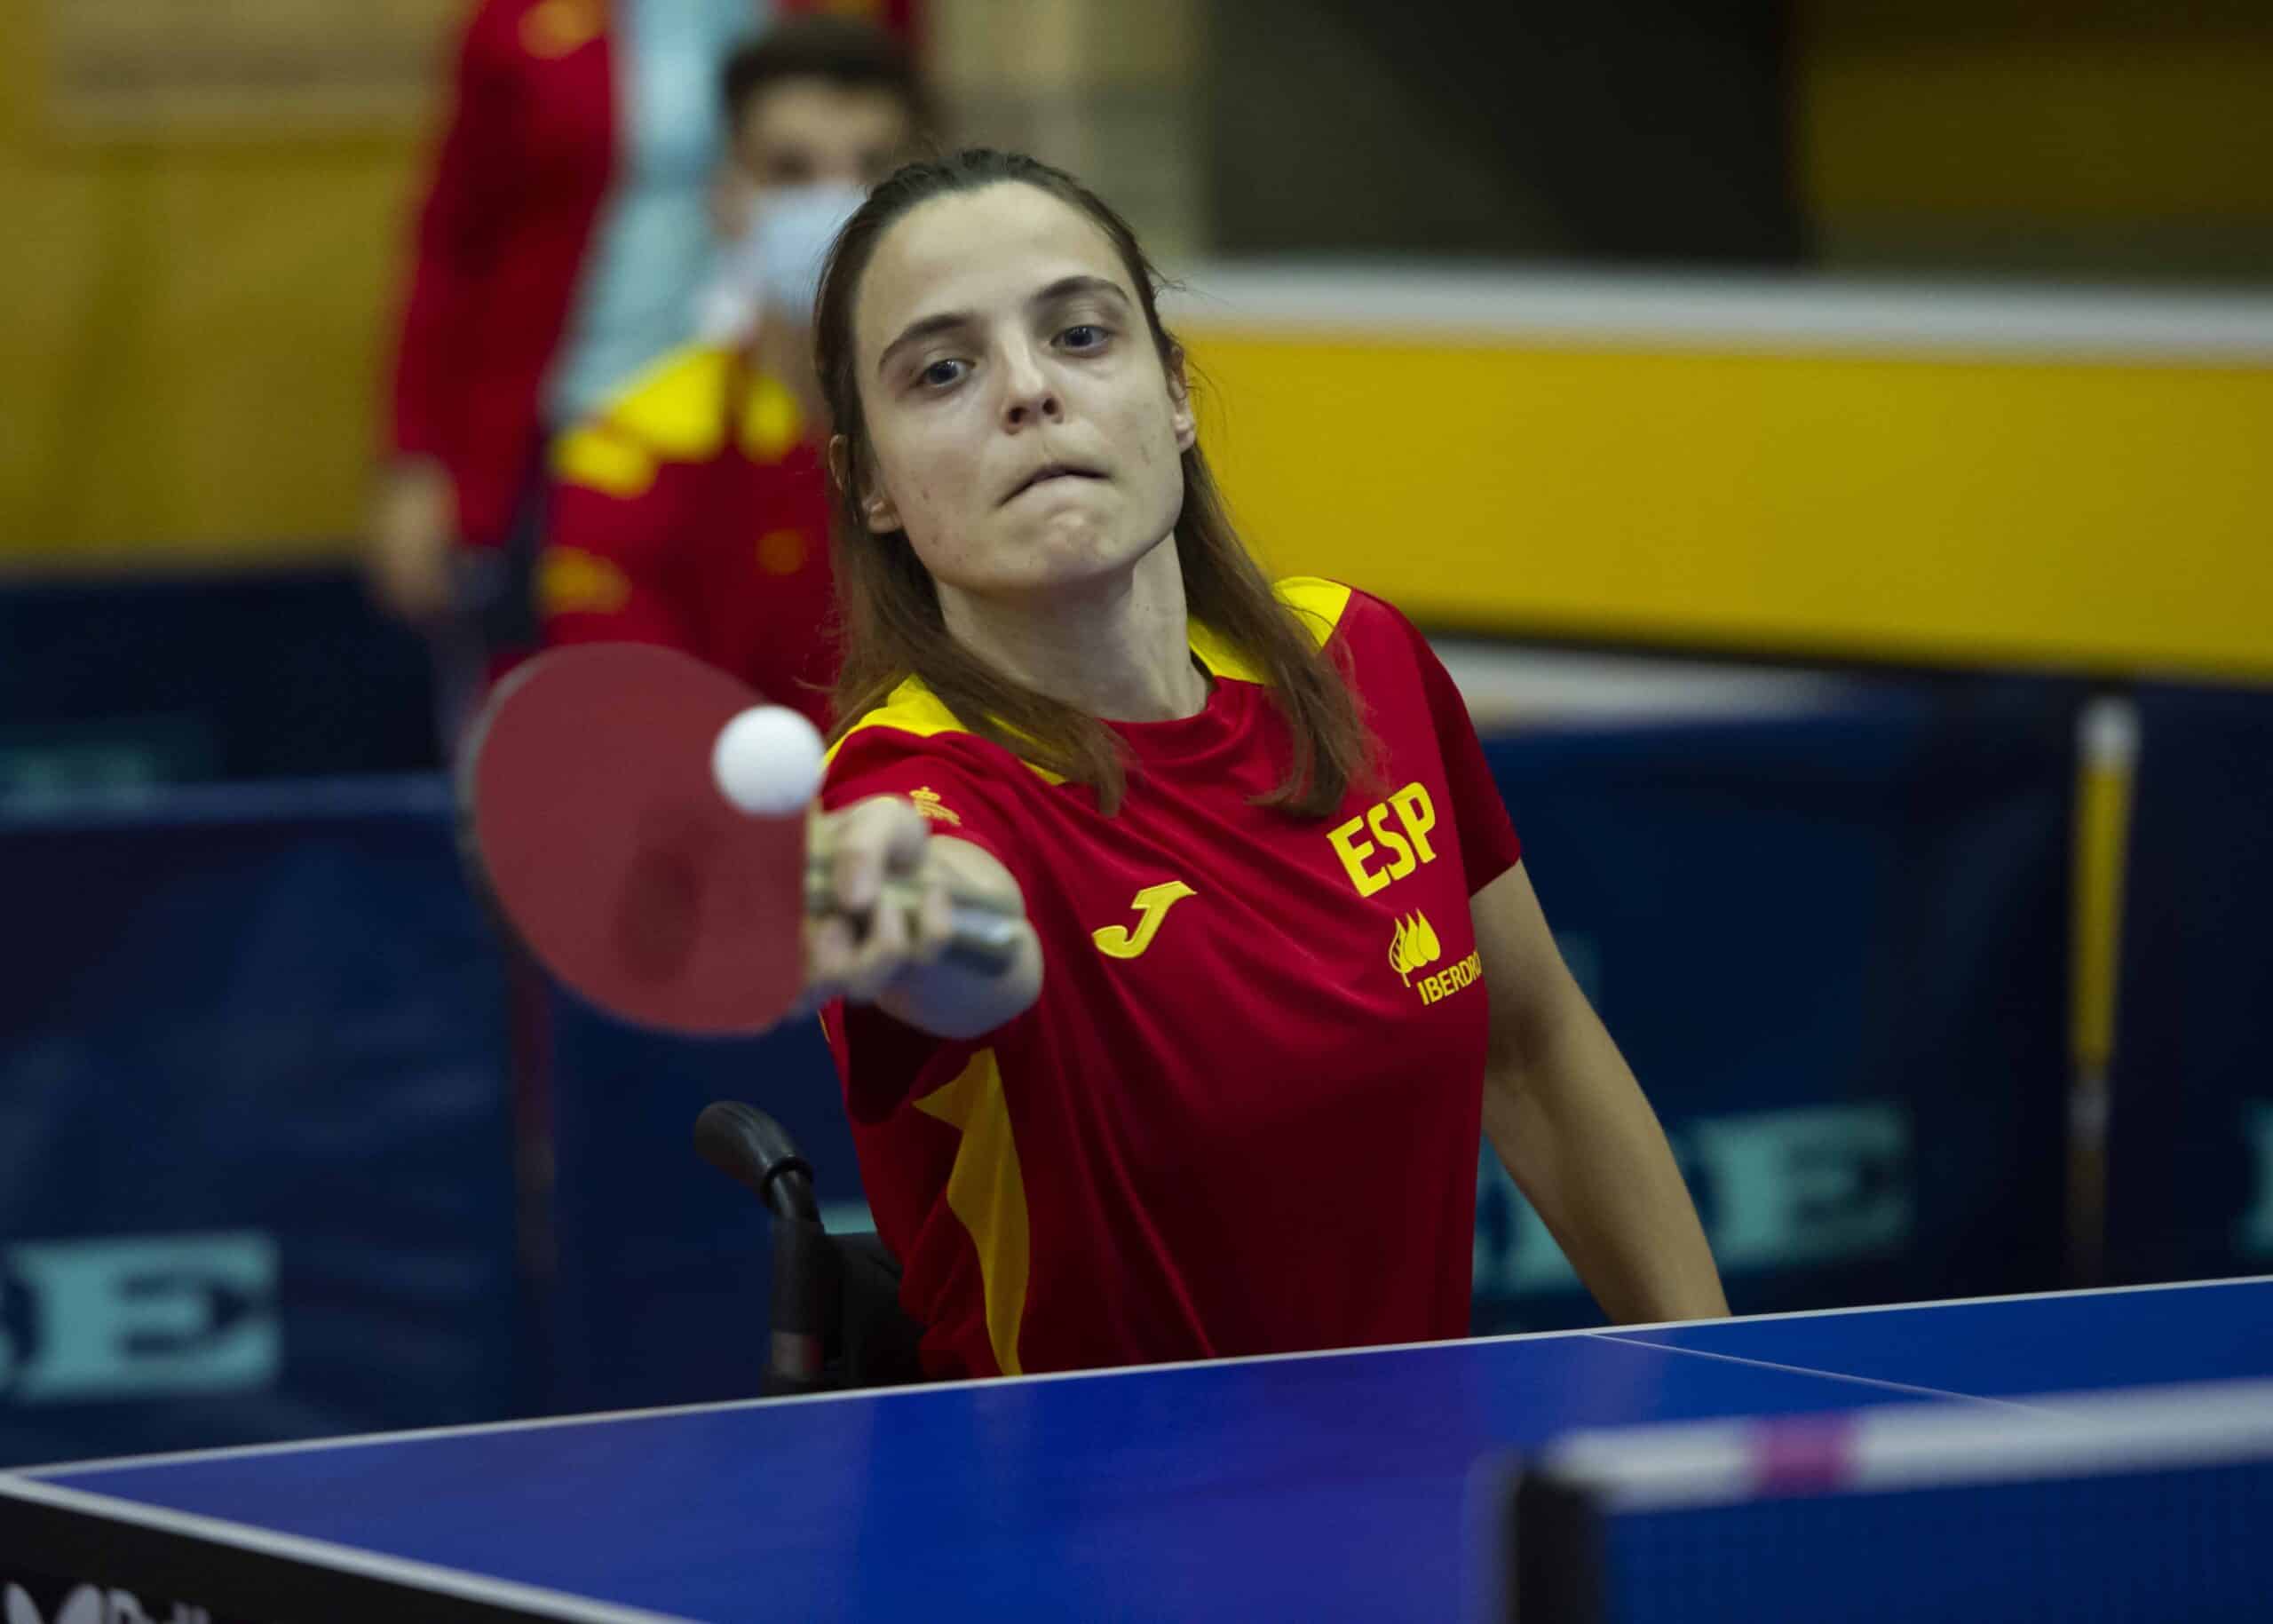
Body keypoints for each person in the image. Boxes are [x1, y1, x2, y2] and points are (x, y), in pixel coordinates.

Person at [800, 149, 1729, 1381]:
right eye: (944, 371)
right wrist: (909, 910)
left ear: (1173, 394)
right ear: (871, 484)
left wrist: (1725, 1382)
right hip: (1078, 1540)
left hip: (1413, 1505)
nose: (1028, 392)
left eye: (1080, 335)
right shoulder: (907, 793)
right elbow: (957, 919)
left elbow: (1533, 1047)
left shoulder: (1359, 659)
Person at [537, 16, 931, 728]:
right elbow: (632, 717)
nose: (837, 205)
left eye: (874, 167)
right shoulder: (625, 450)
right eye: (790, 172)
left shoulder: (1012, 420)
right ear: (727, 196)